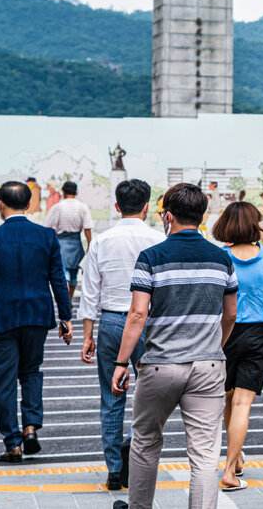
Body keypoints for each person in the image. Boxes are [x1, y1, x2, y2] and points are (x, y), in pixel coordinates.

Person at [110, 182, 238, 509]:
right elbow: (231, 313)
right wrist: (215, 346)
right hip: (208, 366)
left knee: (146, 443)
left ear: (168, 216)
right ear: (202, 215)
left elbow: (138, 314)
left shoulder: (152, 257)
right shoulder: (220, 259)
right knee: (205, 452)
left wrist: (122, 362)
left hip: (160, 365)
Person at [79, 179, 164, 490]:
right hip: (151, 324)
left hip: (112, 322)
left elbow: (90, 292)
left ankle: (115, 469)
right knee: (151, 397)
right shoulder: (158, 239)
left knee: (111, 397)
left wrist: (88, 334)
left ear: (117, 207)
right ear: (146, 206)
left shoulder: (101, 241)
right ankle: (139, 458)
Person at [0, 181, 73, 463]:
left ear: (2, 205)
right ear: (30, 204)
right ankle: (31, 426)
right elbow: (59, 278)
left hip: (2, 319)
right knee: (31, 371)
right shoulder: (46, 237)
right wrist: (65, 317)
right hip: (37, 316)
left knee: (4, 381)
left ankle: (13, 442)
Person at [212, 202, 263, 492]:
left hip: (223, 333)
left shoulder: (219, 259)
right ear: (255, 225)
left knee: (226, 399)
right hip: (258, 334)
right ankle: (231, 468)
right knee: (242, 403)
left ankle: (234, 457)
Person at [45, 180, 94, 299]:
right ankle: (69, 299)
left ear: (63, 192)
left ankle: (64, 301)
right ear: (76, 192)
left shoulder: (57, 207)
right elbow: (87, 228)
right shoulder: (82, 207)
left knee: (62, 274)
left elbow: (48, 227)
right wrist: (89, 246)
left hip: (60, 243)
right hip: (76, 243)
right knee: (73, 275)